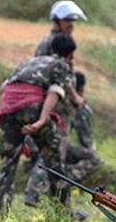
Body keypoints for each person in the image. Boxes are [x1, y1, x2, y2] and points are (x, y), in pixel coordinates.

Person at [0, 34, 77, 216]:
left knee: (8, 164)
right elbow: (55, 92)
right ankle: (63, 215)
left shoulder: (30, 62)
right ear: (71, 54)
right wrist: (41, 120)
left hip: (9, 107)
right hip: (31, 107)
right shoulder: (62, 65)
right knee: (54, 160)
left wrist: (8, 117)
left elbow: (6, 86)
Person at [24, 71, 102, 207]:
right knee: (93, 159)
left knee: (53, 150)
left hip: (32, 141)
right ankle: (61, 179)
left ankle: (38, 190)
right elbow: (86, 138)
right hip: (52, 143)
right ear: (81, 89)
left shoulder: (49, 96)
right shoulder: (75, 104)